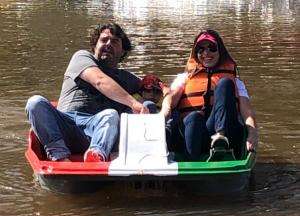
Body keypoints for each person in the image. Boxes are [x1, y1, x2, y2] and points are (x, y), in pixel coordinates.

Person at [25, 22, 150, 163]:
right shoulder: (82, 57)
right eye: (104, 40)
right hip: (65, 125)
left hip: (95, 131)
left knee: (110, 114)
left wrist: (159, 92)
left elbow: (158, 89)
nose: (108, 44)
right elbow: (99, 80)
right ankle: (59, 157)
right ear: (95, 45)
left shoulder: (127, 78)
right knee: (35, 103)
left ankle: (96, 155)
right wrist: (133, 102)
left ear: (123, 51)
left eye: (114, 42)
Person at [161, 29, 258, 161]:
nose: (206, 53)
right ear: (196, 53)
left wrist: (252, 133)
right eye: (200, 49)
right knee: (194, 117)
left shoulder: (236, 82)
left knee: (224, 84)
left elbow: (247, 113)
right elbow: (170, 99)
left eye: (212, 48)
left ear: (220, 51)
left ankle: (220, 139)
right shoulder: (184, 78)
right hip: (195, 131)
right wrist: (164, 112)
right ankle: (191, 163)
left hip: (226, 135)